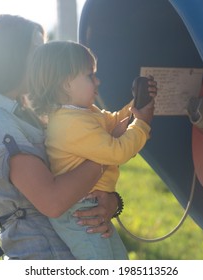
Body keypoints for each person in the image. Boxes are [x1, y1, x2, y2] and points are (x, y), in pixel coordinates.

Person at [0, 14, 122, 260]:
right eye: (36, 51)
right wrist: (106, 151)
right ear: (10, 56)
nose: (44, 60)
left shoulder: (24, 113)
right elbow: (53, 201)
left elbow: (71, 174)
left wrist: (111, 202)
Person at [27, 40, 157, 259]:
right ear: (65, 83)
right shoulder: (71, 123)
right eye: (90, 76)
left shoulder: (84, 112)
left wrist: (137, 104)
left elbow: (115, 121)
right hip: (80, 212)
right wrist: (142, 124)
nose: (98, 81)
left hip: (90, 206)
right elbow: (117, 151)